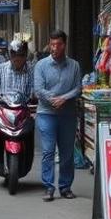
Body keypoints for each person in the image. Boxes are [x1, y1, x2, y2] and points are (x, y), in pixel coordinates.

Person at [34, 30, 82, 202]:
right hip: (46, 113)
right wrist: (53, 99)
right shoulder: (41, 65)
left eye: (58, 44)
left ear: (64, 45)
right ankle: (48, 186)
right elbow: (38, 89)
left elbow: (78, 88)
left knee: (67, 152)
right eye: (52, 44)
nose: (54, 48)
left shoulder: (74, 65)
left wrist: (64, 98)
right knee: (48, 151)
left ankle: (65, 187)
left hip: (68, 114)